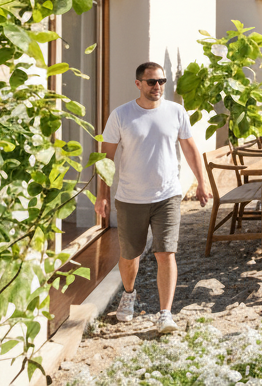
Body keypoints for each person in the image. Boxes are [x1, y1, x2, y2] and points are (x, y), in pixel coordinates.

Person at [95, 62, 209, 334]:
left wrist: (202, 182)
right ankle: (129, 294)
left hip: (167, 195)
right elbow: (105, 157)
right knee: (129, 255)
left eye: (161, 81)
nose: (157, 86)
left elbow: (190, 149)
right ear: (138, 84)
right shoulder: (121, 115)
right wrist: (103, 195)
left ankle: (165, 313)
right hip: (131, 198)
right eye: (151, 82)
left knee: (165, 252)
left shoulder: (176, 112)